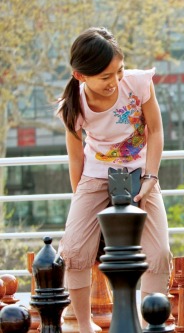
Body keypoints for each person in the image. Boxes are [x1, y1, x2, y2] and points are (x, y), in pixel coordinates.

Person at [56, 27, 171, 333]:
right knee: (75, 250)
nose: (115, 81)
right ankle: (84, 325)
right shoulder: (75, 104)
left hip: (140, 173)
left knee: (158, 252)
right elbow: (76, 157)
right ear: (81, 76)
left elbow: (156, 131)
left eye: (118, 71)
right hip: (95, 176)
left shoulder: (138, 83)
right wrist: (81, 200)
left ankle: (150, 325)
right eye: (105, 77)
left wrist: (150, 176)